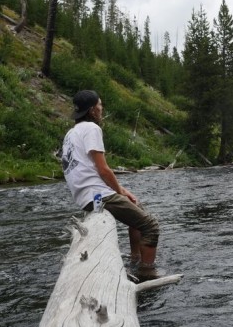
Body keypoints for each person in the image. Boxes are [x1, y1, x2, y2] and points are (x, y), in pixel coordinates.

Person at [61, 90, 160, 280]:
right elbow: (103, 170)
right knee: (151, 226)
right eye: (99, 105)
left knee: (138, 207)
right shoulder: (92, 129)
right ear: (92, 111)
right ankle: (147, 273)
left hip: (87, 196)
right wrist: (119, 192)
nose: (101, 108)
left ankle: (134, 259)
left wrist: (121, 192)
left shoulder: (71, 133)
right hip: (96, 195)